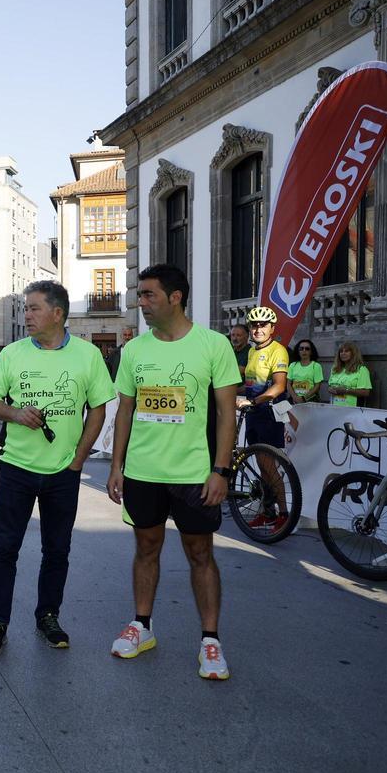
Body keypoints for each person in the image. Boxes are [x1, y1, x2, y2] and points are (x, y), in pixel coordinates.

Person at [106, 264, 239, 681]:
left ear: (175, 297)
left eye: (148, 295)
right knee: (146, 549)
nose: (140, 303)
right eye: (140, 296)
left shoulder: (213, 345)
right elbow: (124, 410)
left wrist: (221, 470)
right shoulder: (135, 350)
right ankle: (142, 626)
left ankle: (210, 640)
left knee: (200, 554)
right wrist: (116, 465)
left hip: (194, 474)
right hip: (144, 473)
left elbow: (225, 415)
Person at [0, 281, 115, 654]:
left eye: (34, 308)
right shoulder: (12, 354)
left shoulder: (87, 356)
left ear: (57, 313)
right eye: (26, 308)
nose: (28, 315)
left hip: (63, 473)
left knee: (57, 550)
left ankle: (48, 616)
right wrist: (16, 414)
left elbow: (99, 408)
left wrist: (79, 459)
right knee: (5, 547)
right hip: (17, 468)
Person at [238, 307, 290, 530]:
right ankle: (268, 512)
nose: (258, 328)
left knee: (269, 465)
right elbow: (249, 385)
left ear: (272, 328)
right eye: (254, 325)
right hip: (253, 412)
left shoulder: (278, 351)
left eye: (262, 325)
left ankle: (284, 515)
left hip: (268, 413)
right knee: (261, 464)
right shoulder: (251, 352)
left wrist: (254, 402)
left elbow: (279, 386)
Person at [328, 342, 372, 407]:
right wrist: (329, 389)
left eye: (346, 351)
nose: (343, 353)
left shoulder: (361, 369)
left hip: (352, 409)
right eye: (341, 351)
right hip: (334, 407)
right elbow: (330, 386)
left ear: (354, 353)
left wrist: (345, 390)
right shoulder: (335, 368)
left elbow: (366, 392)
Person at [288, 339, 324, 404]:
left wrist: (303, 398)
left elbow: (317, 386)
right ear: (298, 351)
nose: (304, 351)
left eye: (307, 349)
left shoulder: (316, 366)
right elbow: (288, 384)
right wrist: (295, 397)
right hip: (294, 401)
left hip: (310, 401)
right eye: (301, 348)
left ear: (311, 351)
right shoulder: (292, 365)